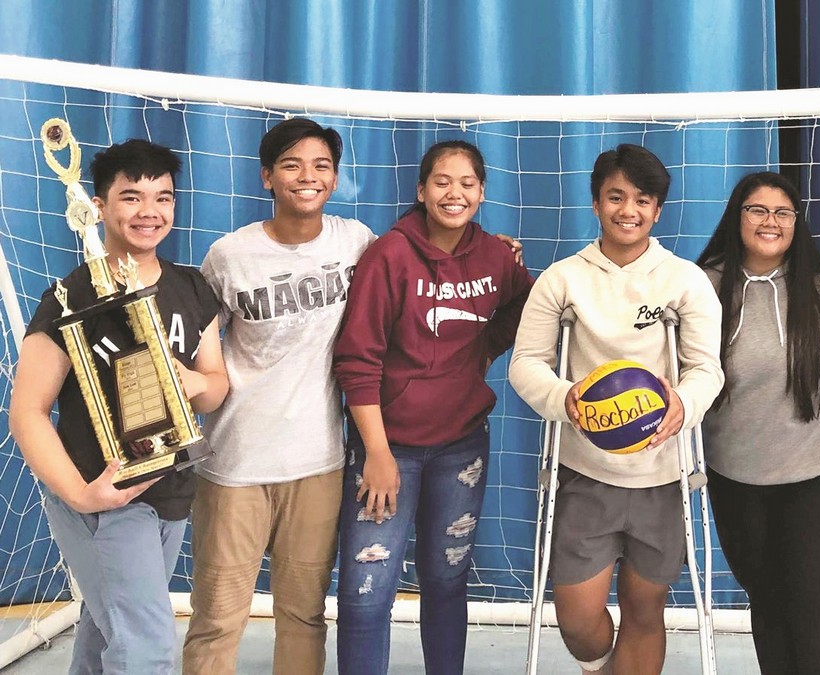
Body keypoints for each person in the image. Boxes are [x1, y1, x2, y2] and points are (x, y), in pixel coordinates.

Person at [12, 139, 228, 674]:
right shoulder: (71, 297)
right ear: (101, 205)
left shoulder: (192, 287)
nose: (149, 212)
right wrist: (85, 496)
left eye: (163, 197)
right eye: (131, 197)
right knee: (145, 648)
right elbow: (26, 412)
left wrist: (190, 383)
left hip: (172, 488)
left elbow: (219, 383)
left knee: (107, 632)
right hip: (105, 497)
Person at [509, 144, 724, 675]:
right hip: (587, 474)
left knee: (644, 609)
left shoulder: (684, 280)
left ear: (657, 210)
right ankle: (600, 667)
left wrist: (684, 403)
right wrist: (565, 399)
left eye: (642, 200)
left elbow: (707, 368)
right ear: (597, 202)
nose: (628, 210)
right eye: (616, 197)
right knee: (580, 622)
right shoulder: (563, 278)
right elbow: (525, 364)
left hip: (660, 475)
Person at [332, 139, 534, 675]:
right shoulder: (389, 256)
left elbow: (526, 306)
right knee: (366, 588)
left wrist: (482, 351)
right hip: (388, 448)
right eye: (442, 181)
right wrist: (375, 451)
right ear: (421, 190)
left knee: (446, 579)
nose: (455, 193)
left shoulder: (495, 255)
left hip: (460, 445)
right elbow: (357, 360)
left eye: (468, 183)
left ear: (483, 193)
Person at [182, 118, 376, 675]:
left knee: (304, 614)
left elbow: (413, 272)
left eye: (321, 166)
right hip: (234, 464)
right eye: (291, 165)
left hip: (317, 464)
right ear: (267, 176)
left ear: (335, 179)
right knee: (219, 615)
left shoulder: (356, 241)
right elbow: (194, 340)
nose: (307, 177)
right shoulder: (229, 255)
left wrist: (489, 248)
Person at [696, 171, 820, 674]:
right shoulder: (702, 287)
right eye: (757, 210)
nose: (770, 222)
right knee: (768, 609)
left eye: (783, 213)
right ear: (736, 217)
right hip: (737, 479)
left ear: (796, 223)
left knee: (816, 615)